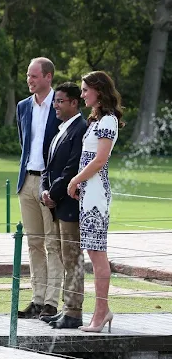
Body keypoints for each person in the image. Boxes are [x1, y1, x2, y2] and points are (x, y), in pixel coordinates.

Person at [67, 71, 124, 333]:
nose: (82, 95)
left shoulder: (108, 121)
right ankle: (101, 312)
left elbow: (100, 160)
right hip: (89, 194)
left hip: (96, 196)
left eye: (85, 90)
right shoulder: (97, 121)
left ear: (98, 91)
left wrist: (74, 180)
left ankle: (101, 313)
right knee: (93, 253)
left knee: (98, 255)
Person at [16, 57, 63, 319]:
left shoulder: (61, 104)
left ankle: (52, 302)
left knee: (53, 244)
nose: (29, 80)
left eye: (34, 76)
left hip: (50, 184)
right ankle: (36, 299)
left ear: (48, 77)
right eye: (27, 76)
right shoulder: (23, 106)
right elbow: (24, 143)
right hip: (27, 182)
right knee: (33, 243)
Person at [38, 82, 86, 329]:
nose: (55, 105)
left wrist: (53, 193)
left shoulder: (81, 129)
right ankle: (66, 310)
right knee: (65, 258)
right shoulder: (60, 130)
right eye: (55, 101)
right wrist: (44, 190)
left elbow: (72, 167)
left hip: (70, 205)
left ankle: (74, 312)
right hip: (56, 203)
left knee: (73, 258)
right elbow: (48, 167)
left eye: (60, 101)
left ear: (74, 103)